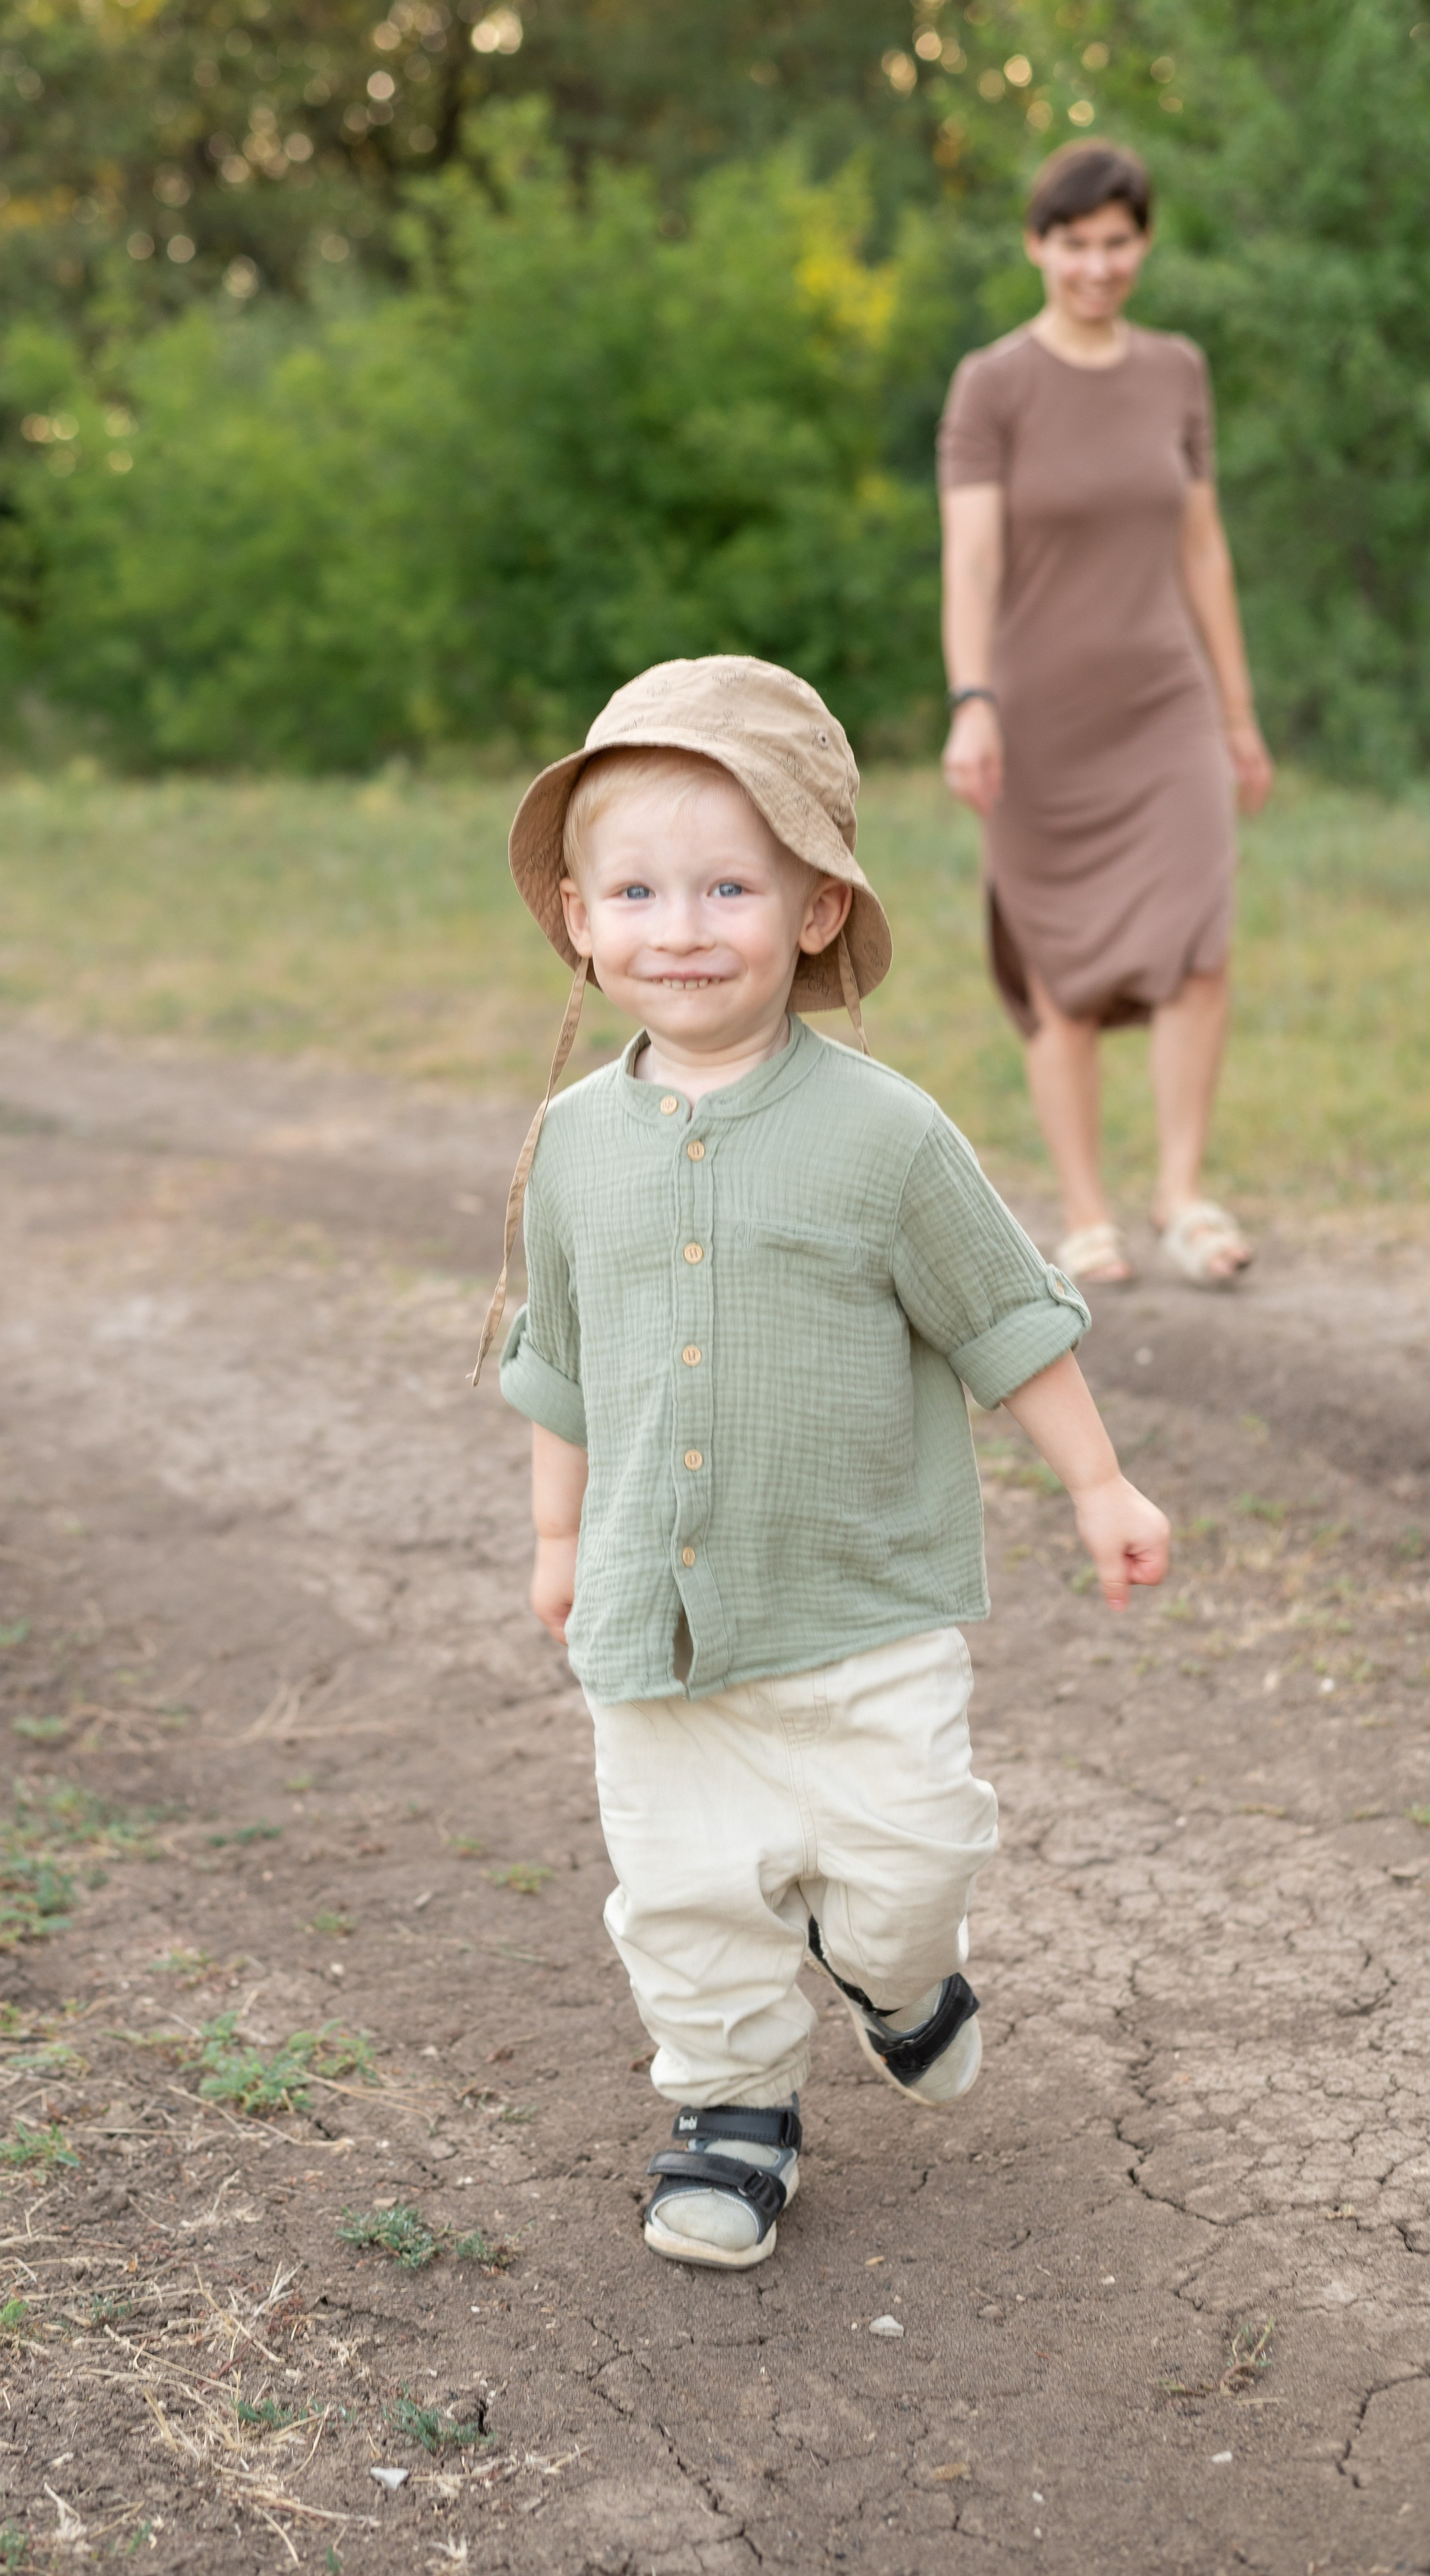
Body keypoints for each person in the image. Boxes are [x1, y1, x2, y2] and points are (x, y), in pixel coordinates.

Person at [476, 655, 1170, 2270]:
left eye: (728, 883)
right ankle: (730, 2111)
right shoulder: (570, 1144)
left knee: (912, 1860)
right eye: (636, 888)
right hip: (656, 1629)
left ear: (810, 908)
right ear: (578, 918)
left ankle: (896, 1974)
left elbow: (1004, 1318)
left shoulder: (884, 1132)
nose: (681, 923)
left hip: (865, 1613)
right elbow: (557, 1362)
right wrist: (556, 1537)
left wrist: (1096, 1482)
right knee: (686, 1899)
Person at [938, 141, 1273, 1290]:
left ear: (1144, 243)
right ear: (1037, 244)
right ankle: (1086, 1212)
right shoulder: (994, 383)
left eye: (1117, 242)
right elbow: (972, 561)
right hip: (1036, 719)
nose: (1096, 265)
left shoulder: (1178, 370)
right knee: (1060, 974)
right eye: (1073, 243)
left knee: (1201, 948)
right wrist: (971, 701)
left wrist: (1238, 714)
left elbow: (1202, 547)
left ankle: (1181, 1195)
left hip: (1165, 705)